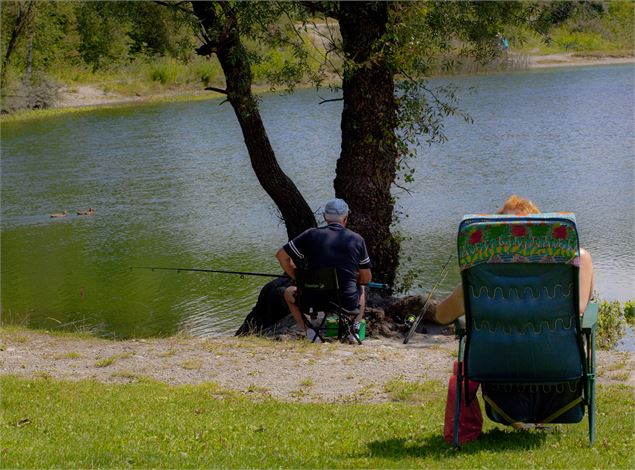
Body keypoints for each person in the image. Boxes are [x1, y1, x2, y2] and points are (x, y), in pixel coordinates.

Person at [434, 195, 595, 324]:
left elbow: (442, 316)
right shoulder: (580, 260)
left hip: (490, 360)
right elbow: (581, 309)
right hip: (560, 359)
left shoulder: (480, 267)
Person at [276, 198, 372, 342]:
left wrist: (298, 277)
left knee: (288, 293)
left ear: (325, 217)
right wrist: (353, 278)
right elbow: (365, 279)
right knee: (362, 288)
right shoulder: (356, 239)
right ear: (345, 218)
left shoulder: (310, 235)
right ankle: (355, 330)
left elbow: (281, 256)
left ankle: (310, 334)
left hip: (312, 300)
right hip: (346, 302)